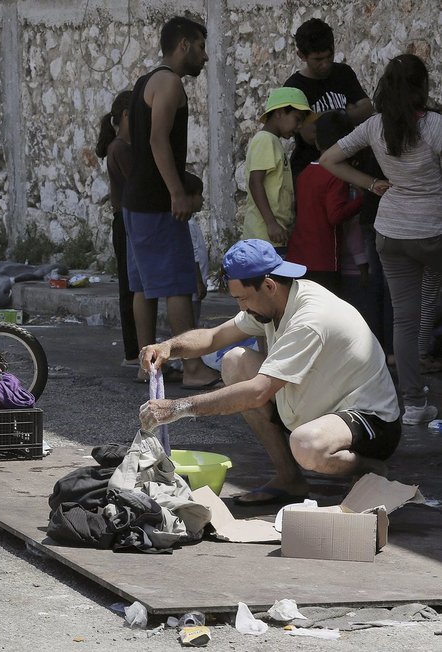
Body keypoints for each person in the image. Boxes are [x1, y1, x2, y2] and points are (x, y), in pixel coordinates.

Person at [139, 239, 400, 506]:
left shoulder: (309, 319)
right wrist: (168, 347)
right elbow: (214, 336)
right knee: (234, 362)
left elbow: (258, 392)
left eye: (243, 298)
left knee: (307, 446)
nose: (242, 307)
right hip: (318, 406)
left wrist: (178, 407)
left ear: (269, 285)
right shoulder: (271, 301)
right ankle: (289, 478)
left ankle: (369, 469)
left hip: (371, 421)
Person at [319, 53, 442, 426]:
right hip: (434, 229)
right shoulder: (434, 126)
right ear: (423, 87)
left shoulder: (375, 127)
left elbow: (329, 159)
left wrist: (371, 185)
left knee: (404, 321)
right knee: (426, 307)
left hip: (391, 230)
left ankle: (414, 405)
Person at [121, 15, 220, 389]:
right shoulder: (170, 82)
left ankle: (149, 366)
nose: (204, 56)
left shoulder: (146, 81)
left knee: (144, 286)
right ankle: (193, 368)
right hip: (156, 203)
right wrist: (177, 192)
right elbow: (157, 140)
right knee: (180, 285)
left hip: (136, 201)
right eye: (199, 47)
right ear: (183, 45)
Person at [286, 110, 365, 294]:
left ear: (317, 141)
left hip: (298, 254)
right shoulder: (337, 174)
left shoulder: (305, 173)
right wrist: (362, 199)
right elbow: (335, 216)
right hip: (324, 258)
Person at [284, 18, 374, 179]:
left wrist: (327, 118)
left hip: (351, 166)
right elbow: (309, 134)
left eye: (329, 56)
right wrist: (347, 114)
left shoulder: (343, 73)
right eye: (318, 60)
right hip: (312, 170)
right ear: (301, 55)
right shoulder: (294, 88)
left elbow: (367, 109)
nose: (326, 64)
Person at [95, 90, 140, 367]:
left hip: (124, 220)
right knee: (131, 288)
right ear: (126, 115)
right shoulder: (121, 148)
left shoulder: (120, 146)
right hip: (127, 220)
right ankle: (133, 351)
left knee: (131, 287)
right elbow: (137, 183)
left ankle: (134, 349)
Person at [242, 87, 311, 250]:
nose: (300, 126)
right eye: (297, 119)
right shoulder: (265, 140)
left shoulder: (274, 141)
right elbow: (255, 183)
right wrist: (271, 223)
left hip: (272, 235)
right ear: (279, 112)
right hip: (264, 235)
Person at [182, 171, 209, 324]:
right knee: (192, 321)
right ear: (189, 197)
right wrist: (199, 282)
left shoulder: (191, 222)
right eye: (200, 195)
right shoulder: (188, 225)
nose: (203, 199)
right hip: (193, 287)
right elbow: (193, 256)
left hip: (194, 286)